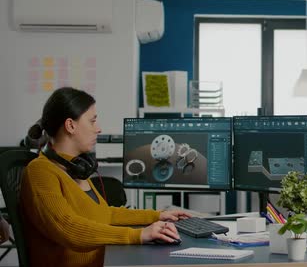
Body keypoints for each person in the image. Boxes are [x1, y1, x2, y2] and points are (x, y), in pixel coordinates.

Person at [20, 87, 192, 267]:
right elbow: (68, 229)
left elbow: (106, 214)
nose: (99, 129)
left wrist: (158, 216)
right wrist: (138, 235)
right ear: (71, 125)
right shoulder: (40, 171)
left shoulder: (76, 168)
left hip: (105, 260)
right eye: (92, 121)